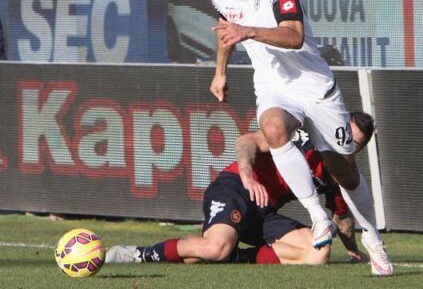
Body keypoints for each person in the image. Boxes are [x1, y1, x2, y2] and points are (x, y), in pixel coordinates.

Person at [208, 0, 392, 275]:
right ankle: (318, 217)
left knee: (344, 173)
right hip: (274, 86)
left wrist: (248, 31)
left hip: (316, 89)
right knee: (273, 128)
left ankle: (372, 237)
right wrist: (221, 72)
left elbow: (294, 36)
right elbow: (225, 32)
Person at [105, 112, 372, 265]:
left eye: (354, 144)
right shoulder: (299, 136)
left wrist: (353, 250)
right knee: (214, 249)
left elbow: (342, 218)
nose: (345, 145)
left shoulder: (338, 175)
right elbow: (247, 141)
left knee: (319, 253)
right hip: (235, 189)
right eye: (345, 136)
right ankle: (141, 253)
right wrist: (248, 178)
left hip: (264, 212)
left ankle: (238, 257)